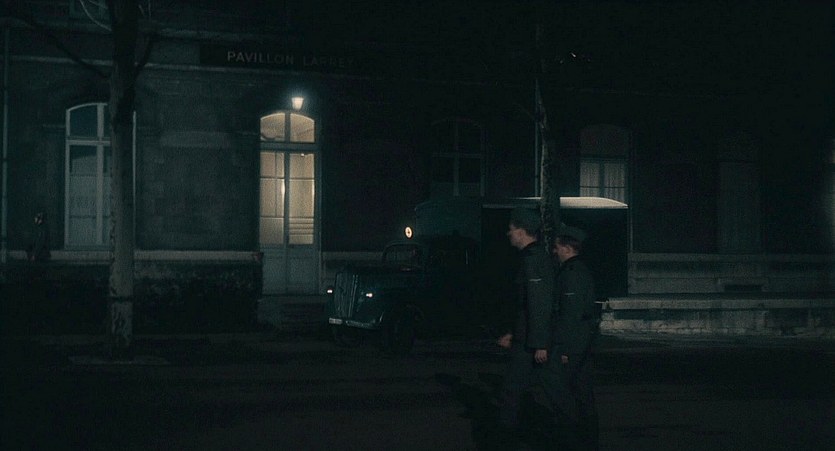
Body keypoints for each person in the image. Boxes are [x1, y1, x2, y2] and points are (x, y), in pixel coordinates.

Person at [495, 207, 557, 444]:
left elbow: (538, 303)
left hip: (531, 341)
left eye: (511, 230)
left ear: (521, 232)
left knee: (513, 390)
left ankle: (505, 439)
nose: (508, 234)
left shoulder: (533, 260)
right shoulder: (532, 258)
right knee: (545, 389)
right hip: (527, 337)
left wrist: (540, 343)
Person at [552, 224, 599, 450]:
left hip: (575, 343)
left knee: (570, 394)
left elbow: (570, 315)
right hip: (582, 340)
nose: (555, 251)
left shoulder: (571, 274)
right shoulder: (579, 270)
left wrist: (564, 349)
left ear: (567, 248)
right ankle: (588, 441)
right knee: (582, 393)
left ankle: (574, 440)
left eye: (557, 247)